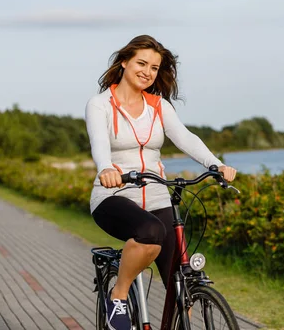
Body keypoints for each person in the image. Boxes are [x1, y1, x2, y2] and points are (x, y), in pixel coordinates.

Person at [85, 35, 236, 330]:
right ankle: (118, 295)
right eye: (142, 63)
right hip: (113, 195)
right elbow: (99, 143)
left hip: (156, 195)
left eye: (154, 67)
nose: (148, 71)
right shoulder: (100, 104)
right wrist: (106, 168)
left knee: (180, 280)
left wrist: (215, 164)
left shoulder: (159, 106)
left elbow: (185, 137)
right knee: (151, 232)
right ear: (124, 62)